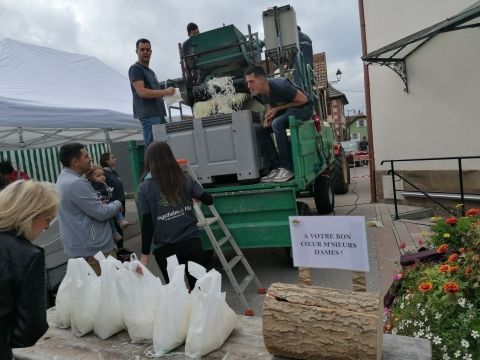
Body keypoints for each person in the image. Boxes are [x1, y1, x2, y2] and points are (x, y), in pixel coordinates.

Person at [138, 141, 213, 289]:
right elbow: (209, 199)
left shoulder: (144, 188)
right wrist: (194, 200)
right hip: (191, 243)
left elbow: (147, 224)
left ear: (149, 160)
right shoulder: (184, 178)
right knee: (199, 290)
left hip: (165, 249)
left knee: (176, 293)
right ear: (170, 157)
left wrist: (144, 256)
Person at [0, 180, 60, 360]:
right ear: (32, 214)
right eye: (48, 219)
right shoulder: (26, 255)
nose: (48, 227)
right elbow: (30, 331)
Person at [56, 143, 123, 275]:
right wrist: (117, 203)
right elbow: (101, 213)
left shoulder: (64, 179)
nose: (90, 159)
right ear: (75, 162)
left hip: (84, 247)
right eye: (86, 156)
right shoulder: (76, 183)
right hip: (94, 251)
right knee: (108, 290)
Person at [245, 65, 314, 183]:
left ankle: (288, 168)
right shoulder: (261, 92)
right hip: (288, 110)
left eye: (251, 81)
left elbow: (303, 100)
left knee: (277, 123)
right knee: (260, 129)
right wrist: (269, 114)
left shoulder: (281, 86)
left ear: (262, 80)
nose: (248, 86)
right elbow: (271, 103)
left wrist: (277, 110)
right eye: (247, 82)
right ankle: (276, 167)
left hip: (304, 108)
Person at [129, 38, 176, 150]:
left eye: (147, 49)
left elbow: (155, 94)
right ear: (137, 51)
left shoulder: (151, 72)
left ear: (151, 52)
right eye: (142, 49)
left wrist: (169, 95)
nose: (145, 52)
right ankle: (150, 168)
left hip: (158, 114)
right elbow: (142, 92)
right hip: (149, 115)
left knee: (162, 149)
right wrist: (165, 92)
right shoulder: (135, 69)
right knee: (153, 150)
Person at [85, 165, 129, 243]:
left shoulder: (103, 183)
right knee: (109, 219)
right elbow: (96, 194)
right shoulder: (94, 185)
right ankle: (114, 232)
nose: (102, 177)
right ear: (91, 178)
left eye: (103, 175)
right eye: (98, 175)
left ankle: (121, 221)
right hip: (102, 203)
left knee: (115, 209)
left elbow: (108, 191)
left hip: (108, 201)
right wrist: (102, 199)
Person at [100, 152, 129, 250]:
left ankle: (121, 248)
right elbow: (104, 188)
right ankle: (119, 249)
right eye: (112, 158)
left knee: (120, 225)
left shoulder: (113, 172)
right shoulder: (103, 174)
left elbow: (117, 183)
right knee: (116, 226)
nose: (115, 159)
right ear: (106, 161)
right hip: (114, 204)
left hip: (121, 201)